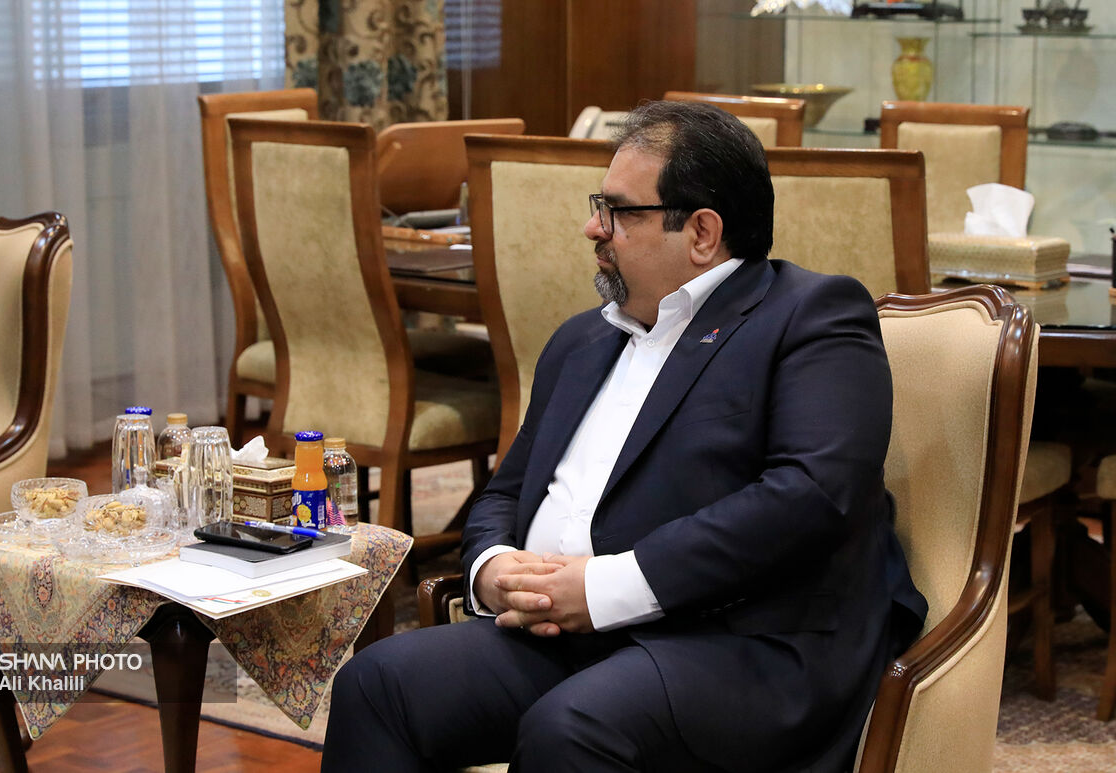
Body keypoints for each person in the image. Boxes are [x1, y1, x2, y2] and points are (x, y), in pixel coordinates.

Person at [321, 100, 926, 773]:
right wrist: (494, 570)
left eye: (617, 211)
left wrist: (605, 588)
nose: (592, 227)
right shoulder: (581, 339)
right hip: (567, 637)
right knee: (376, 685)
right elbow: (506, 492)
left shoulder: (810, 317)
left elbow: (811, 495)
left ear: (702, 232)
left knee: (569, 728)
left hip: (738, 641)